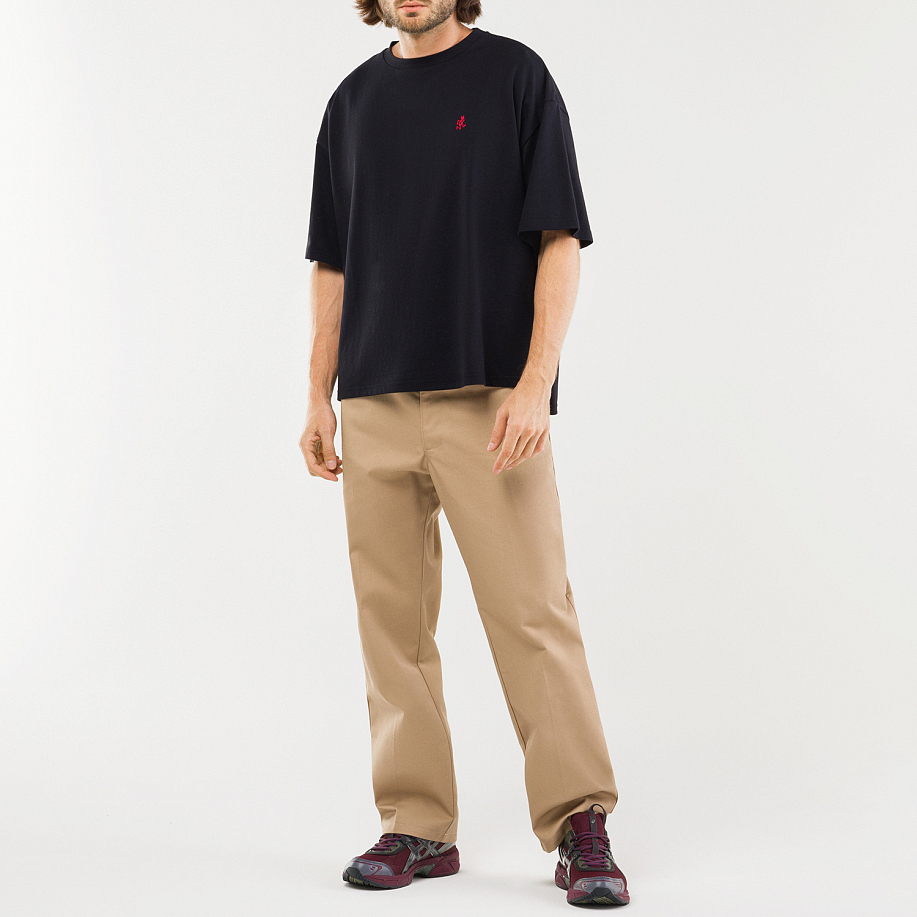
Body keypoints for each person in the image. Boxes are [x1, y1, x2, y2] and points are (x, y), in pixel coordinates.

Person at [299, 0, 630, 907]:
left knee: (532, 613)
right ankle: (416, 824)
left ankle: (578, 822)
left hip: (488, 398)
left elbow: (558, 237)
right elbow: (331, 261)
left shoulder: (515, 78)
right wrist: (317, 393)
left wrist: (534, 383)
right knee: (391, 626)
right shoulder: (351, 103)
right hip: (373, 398)